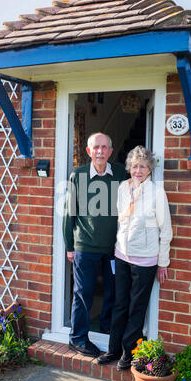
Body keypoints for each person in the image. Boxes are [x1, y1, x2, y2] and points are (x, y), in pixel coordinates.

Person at [97, 145, 173, 370]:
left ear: (149, 169)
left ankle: (129, 354)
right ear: (130, 167)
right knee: (120, 304)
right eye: (135, 166)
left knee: (136, 308)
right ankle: (113, 349)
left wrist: (163, 262)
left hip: (146, 260)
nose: (138, 170)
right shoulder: (123, 188)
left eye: (143, 166)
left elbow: (166, 230)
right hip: (121, 255)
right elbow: (121, 218)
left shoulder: (157, 192)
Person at [63, 132, 127, 358]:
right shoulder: (78, 175)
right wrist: (69, 246)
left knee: (113, 292)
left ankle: (108, 328)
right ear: (89, 152)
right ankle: (78, 338)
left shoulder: (120, 173)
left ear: (110, 151)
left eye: (104, 147)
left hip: (113, 248)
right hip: (85, 247)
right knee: (83, 293)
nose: (100, 151)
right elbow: (69, 213)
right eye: (96, 148)